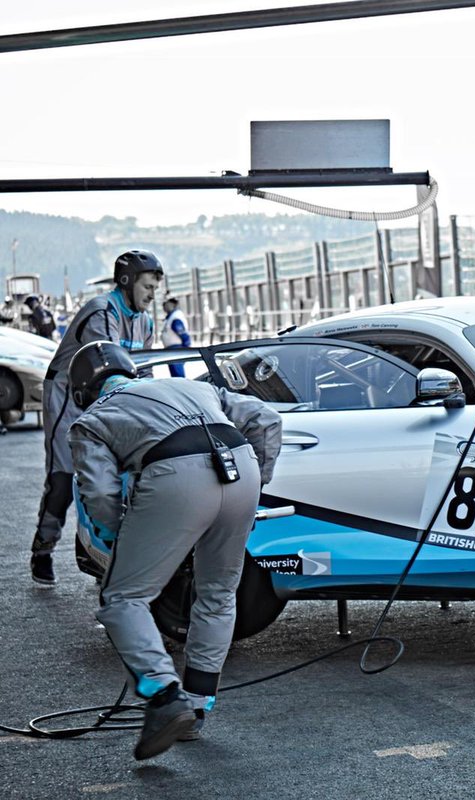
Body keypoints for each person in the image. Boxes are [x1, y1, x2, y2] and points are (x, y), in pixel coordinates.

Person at [67, 340, 282, 760]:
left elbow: (99, 494)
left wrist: (120, 540)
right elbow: (267, 420)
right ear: (131, 371)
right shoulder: (194, 387)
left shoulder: (91, 420)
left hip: (174, 476)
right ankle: (198, 707)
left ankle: (165, 696)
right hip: (240, 465)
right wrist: (259, 483)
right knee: (218, 593)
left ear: (82, 392)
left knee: (123, 599)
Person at [30, 250, 162, 585]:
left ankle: (103, 552)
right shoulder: (102, 310)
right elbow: (105, 364)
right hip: (69, 393)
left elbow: (142, 372)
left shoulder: (145, 320)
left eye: (155, 289)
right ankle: (43, 548)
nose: (152, 294)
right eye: (147, 286)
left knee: (119, 474)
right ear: (126, 282)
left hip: (112, 395)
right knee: (64, 475)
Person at [161, 296, 193, 378]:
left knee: (178, 375)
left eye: (166, 304)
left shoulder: (175, 317)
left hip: (176, 349)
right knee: (176, 375)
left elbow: (181, 331)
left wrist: (185, 346)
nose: (164, 306)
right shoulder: (171, 317)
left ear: (172, 304)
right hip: (173, 349)